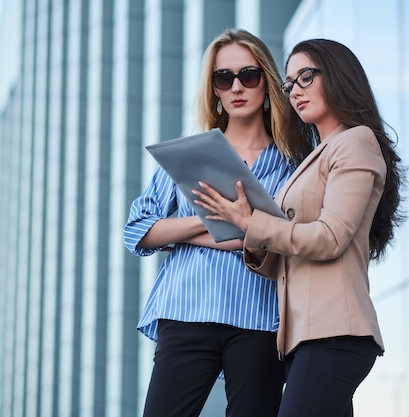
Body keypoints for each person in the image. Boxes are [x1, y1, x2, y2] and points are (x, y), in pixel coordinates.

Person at [193, 38, 407, 417]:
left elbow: (330, 238)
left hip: (334, 333)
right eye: (290, 84)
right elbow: (293, 257)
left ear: (339, 75)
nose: (295, 92)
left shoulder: (355, 142)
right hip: (305, 338)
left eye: (305, 77)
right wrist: (255, 243)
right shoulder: (313, 158)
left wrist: (251, 222)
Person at [123, 29, 311, 417]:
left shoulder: (293, 164)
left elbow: (285, 241)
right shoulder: (188, 155)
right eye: (223, 78)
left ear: (267, 82)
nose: (236, 86)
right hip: (187, 309)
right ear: (214, 91)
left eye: (249, 75)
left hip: (259, 316)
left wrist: (202, 228)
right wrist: (215, 223)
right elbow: (138, 230)